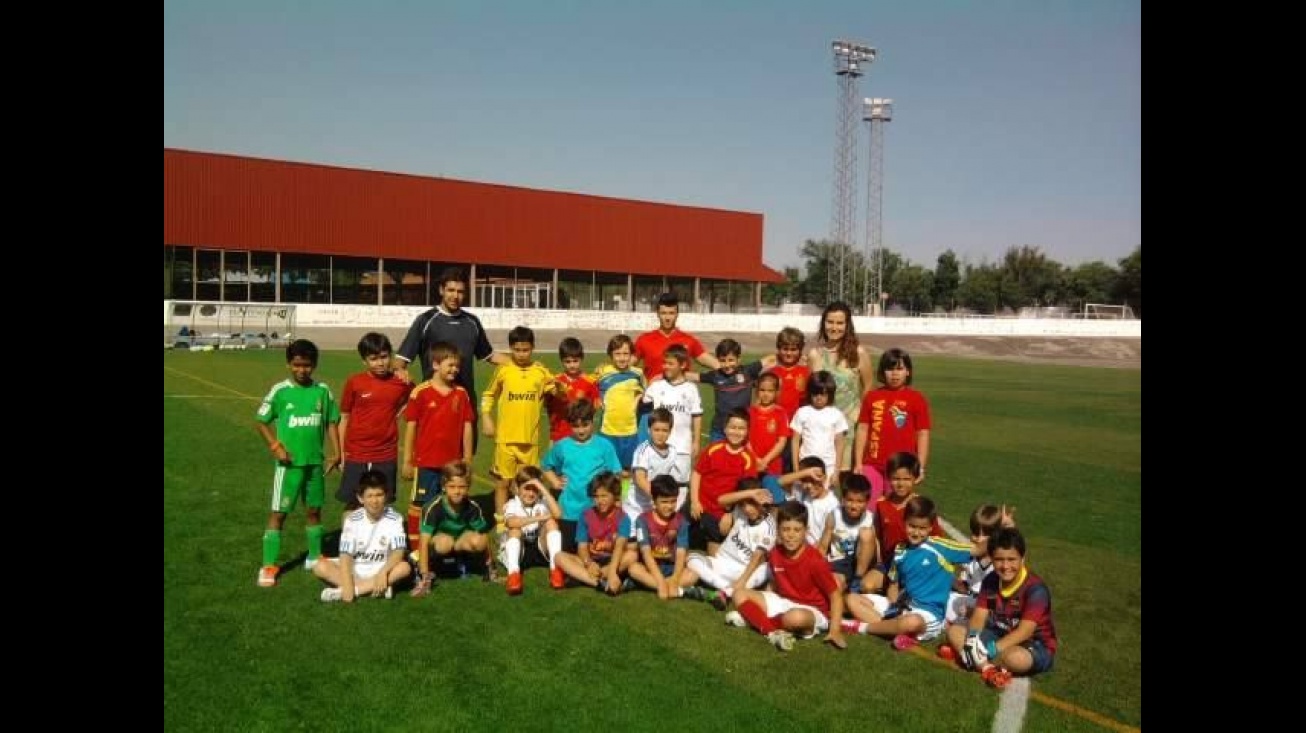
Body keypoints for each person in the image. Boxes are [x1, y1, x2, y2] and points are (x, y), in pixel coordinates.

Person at [254, 339, 341, 588]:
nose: (302, 370)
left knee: (314, 510)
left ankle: (314, 557)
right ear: (289, 364)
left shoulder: (322, 391)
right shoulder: (280, 391)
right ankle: (269, 565)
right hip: (289, 466)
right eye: (297, 365)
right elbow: (261, 421)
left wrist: (337, 452)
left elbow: (331, 422)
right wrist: (276, 447)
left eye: (307, 365)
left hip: (315, 463)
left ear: (314, 365)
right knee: (279, 513)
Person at [844, 495, 982, 651]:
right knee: (851, 599)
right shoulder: (900, 550)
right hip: (903, 607)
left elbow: (978, 550)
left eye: (922, 528)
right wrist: (893, 606)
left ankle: (862, 627)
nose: (916, 532)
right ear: (904, 523)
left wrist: (1005, 528)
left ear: (930, 527)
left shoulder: (941, 547)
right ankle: (893, 629)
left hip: (928, 616)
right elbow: (893, 585)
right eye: (912, 526)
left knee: (911, 622)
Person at [393, 267, 507, 447]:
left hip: (465, 402)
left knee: (462, 463)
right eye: (451, 290)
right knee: (433, 460)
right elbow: (401, 360)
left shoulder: (472, 322)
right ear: (441, 290)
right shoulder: (426, 320)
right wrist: (400, 371)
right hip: (434, 404)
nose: (455, 296)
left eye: (460, 291)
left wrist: (521, 362)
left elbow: (489, 355)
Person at [943, 527, 1058, 690]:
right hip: (998, 634)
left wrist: (989, 650)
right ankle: (987, 669)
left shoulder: (1036, 589)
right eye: (999, 559)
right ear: (991, 558)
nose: (1005, 566)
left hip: (1034, 644)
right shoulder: (991, 580)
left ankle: (970, 658)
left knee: (1015, 659)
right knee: (954, 631)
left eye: (1012, 559)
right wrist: (971, 641)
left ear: (1023, 558)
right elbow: (980, 615)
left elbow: (1024, 632)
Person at [727, 500, 847, 652]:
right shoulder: (775, 552)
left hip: (811, 611)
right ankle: (772, 632)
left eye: (797, 530)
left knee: (795, 618)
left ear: (806, 531)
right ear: (778, 530)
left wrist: (834, 630)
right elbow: (775, 583)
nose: (790, 535)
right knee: (739, 594)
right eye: (785, 529)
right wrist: (765, 599)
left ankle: (755, 620)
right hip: (784, 602)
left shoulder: (815, 560)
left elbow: (835, 596)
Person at [400, 341, 475, 552]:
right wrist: (407, 460)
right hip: (425, 462)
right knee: (419, 503)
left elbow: (467, 426)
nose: (454, 370)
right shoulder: (420, 392)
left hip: (452, 464)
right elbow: (411, 428)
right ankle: (416, 549)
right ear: (435, 364)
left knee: (450, 503)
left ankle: (445, 546)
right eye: (449, 365)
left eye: (457, 366)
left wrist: (467, 458)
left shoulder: (461, 393)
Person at [480, 325, 559, 514]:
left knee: (529, 484)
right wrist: (486, 417)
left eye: (525, 350)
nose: (521, 354)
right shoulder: (503, 370)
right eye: (516, 350)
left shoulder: (540, 372)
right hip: (506, 440)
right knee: (503, 483)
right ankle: (501, 524)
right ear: (510, 349)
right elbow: (489, 394)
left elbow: (555, 391)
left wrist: (559, 389)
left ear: (532, 348)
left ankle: (528, 521)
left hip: (529, 441)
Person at [336, 332, 409, 511]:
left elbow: (414, 399)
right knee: (353, 502)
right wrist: (342, 454)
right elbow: (344, 417)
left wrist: (398, 412)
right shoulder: (354, 382)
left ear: (390, 355)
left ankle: (377, 540)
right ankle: (348, 539)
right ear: (364, 361)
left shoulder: (402, 382)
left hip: (386, 453)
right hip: (356, 452)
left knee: (381, 503)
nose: (380, 363)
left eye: (384, 357)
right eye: (373, 359)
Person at [313, 470, 410, 602]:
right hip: (356, 570)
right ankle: (375, 588)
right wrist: (347, 583)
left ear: (386, 496)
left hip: (381, 570)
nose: (375, 501)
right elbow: (345, 555)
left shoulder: (395, 518)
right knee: (319, 566)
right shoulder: (352, 519)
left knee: (404, 568)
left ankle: (355, 591)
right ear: (360, 498)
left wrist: (383, 572)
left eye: (379, 495)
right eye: (369, 496)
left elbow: (398, 552)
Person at [680, 478, 775, 609]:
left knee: (767, 568)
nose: (747, 509)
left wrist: (741, 581)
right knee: (692, 559)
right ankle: (725, 590)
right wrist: (751, 494)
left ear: (762, 502)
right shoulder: (739, 510)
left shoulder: (769, 526)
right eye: (743, 504)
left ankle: (723, 591)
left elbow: (756, 558)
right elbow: (721, 500)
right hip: (720, 562)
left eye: (752, 504)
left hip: (742, 572)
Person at [541, 399, 623, 551]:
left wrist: (615, 499)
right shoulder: (562, 446)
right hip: (569, 510)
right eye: (575, 426)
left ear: (593, 421)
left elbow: (616, 474)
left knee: (595, 550)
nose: (580, 431)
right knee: (567, 550)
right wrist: (555, 482)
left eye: (585, 425)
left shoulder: (604, 446)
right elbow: (546, 466)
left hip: (596, 510)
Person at [854, 348, 932, 503]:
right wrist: (858, 463)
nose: (894, 373)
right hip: (873, 465)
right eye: (890, 368)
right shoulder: (872, 397)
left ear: (908, 372)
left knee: (894, 509)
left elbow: (923, 433)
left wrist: (920, 466)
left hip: (901, 469)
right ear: (883, 372)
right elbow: (863, 429)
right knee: (869, 508)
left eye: (899, 369)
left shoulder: (916, 398)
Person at [806, 302, 875, 472]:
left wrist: (862, 422)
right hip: (821, 430)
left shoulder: (858, 353)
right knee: (819, 481)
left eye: (839, 323)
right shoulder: (815, 355)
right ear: (823, 323)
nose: (834, 327)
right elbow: (811, 392)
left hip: (850, 428)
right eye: (830, 322)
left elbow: (868, 388)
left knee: (848, 485)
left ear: (847, 325)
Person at [863, 451, 944, 594]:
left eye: (906, 479)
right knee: (866, 586)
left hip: (916, 565)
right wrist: (878, 561)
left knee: (912, 592)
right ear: (888, 478)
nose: (900, 484)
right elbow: (877, 535)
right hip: (890, 564)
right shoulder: (882, 504)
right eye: (896, 479)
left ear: (916, 478)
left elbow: (938, 540)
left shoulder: (922, 507)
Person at [411, 461, 490, 596]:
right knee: (445, 543)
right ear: (443, 487)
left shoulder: (473, 507)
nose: (457, 491)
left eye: (462, 487)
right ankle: (430, 565)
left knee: (480, 540)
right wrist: (424, 575)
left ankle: (463, 559)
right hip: (439, 542)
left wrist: (491, 567)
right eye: (452, 486)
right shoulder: (433, 507)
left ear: (468, 487)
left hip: (459, 541)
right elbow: (423, 542)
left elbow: (484, 534)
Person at [553, 472, 639, 594]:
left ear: (614, 496)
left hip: (613, 560)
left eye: (604, 496)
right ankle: (599, 583)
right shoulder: (585, 515)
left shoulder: (623, 518)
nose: (600, 501)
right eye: (596, 496)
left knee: (632, 555)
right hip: (591, 559)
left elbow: (619, 547)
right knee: (559, 556)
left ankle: (587, 577)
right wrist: (589, 563)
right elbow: (582, 547)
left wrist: (612, 571)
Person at [689, 408, 760, 554]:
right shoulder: (713, 449)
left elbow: (745, 491)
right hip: (704, 505)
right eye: (733, 427)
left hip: (725, 511)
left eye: (741, 428)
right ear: (725, 429)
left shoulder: (748, 459)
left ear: (747, 431)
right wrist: (695, 501)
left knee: (721, 542)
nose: (736, 432)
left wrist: (730, 514)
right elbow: (697, 473)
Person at [640, 344, 703, 484]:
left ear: (682, 365)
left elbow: (697, 415)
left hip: (682, 447)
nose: (665, 366)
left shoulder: (691, 389)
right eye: (664, 363)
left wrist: (696, 442)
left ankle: (680, 506)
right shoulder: (656, 387)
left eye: (670, 363)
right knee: (657, 485)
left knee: (680, 485)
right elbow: (641, 406)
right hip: (659, 446)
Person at [500, 466, 565, 595]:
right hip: (520, 551)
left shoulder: (542, 501)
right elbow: (512, 522)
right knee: (515, 530)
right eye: (526, 488)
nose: (531, 493)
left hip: (539, 547)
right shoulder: (512, 504)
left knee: (552, 522)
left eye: (535, 489)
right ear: (517, 489)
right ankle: (513, 575)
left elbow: (558, 514)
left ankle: (555, 569)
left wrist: (543, 489)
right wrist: (540, 517)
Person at [592, 334, 646, 483]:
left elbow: (646, 393)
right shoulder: (602, 372)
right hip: (608, 431)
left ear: (632, 355)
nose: (622, 358)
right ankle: (611, 502)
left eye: (626, 354)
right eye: (617, 354)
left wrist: (639, 399)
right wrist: (596, 398)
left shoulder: (638, 374)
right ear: (610, 355)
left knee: (627, 471)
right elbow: (590, 388)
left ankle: (624, 500)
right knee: (608, 471)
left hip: (630, 431)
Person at [628, 475, 692, 600]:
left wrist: (674, 579)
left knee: (694, 572)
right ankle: (667, 587)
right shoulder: (642, 520)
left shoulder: (681, 521)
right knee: (633, 569)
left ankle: (656, 585)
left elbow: (680, 554)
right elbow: (645, 554)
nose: (669, 506)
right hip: (650, 567)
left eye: (673, 501)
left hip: (672, 567)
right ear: (653, 500)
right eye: (664, 502)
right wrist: (660, 581)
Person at [632, 292, 719, 383]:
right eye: (663, 313)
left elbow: (712, 362)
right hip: (654, 394)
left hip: (681, 395)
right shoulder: (644, 340)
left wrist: (731, 370)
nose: (667, 317)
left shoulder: (689, 340)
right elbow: (626, 364)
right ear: (657, 314)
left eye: (671, 313)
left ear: (677, 314)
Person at [944, 504, 1007, 625]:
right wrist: (951, 580)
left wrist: (973, 611)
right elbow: (965, 586)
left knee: (985, 618)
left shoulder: (1000, 564)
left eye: (984, 535)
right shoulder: (970, 556)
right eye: (975, 533)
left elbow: (994, 601)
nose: (978, 539)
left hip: (986, 607)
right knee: (940, 597)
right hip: (968, 600)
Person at [692, 339, 764, 442]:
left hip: (740, 429)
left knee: (740, 457)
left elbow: (770, 360)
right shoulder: (715, 375)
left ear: (739, 359)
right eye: (722, 360)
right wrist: (666, 374)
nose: (727, 365)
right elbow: (695, 376)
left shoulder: (748, 371)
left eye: (731, 360)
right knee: (717, 456)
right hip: (719, 430)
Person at [628, 407, 690, 525]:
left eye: (664, 430)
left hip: (656, 505)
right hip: (637, 505)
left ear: (670, 431)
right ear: (648, 430)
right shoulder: (643, 451)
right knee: (633, 541)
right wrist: (657, 496)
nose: (660, 434)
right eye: (656, 430)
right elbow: (640, 478)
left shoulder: (672, 451)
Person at [789, 371, 849, 488]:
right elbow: (795, 441)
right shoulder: (802, 412)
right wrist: (796, 469)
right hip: (805, 466)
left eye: (823, 394)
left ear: (830, 394)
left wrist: (836, 471)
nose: (819, 397)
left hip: (828, 467)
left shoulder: (836, 414)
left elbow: (840, 444)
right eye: (815, 394)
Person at [827, 472, 877, 592]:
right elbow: (824, 544)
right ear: (843, 499)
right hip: (839, 560)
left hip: (860, 561)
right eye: (850, 500)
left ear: (867, 502)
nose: (854, 506)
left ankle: (857, 580)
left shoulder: (870, 519)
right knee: (835, 585)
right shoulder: (834, 515)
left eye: (860, 501)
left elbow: (876, 545)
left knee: (866, 533)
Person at [546, 337, 600, 445]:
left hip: (581, 436)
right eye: (568, 361)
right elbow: (547, 406)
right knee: (555, 462)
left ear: (581, 359)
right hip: (558, 435)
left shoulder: (589, 382)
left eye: (575, 361)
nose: (572, 365)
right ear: (562, 361)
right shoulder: (555, 381)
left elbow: (594, 408)